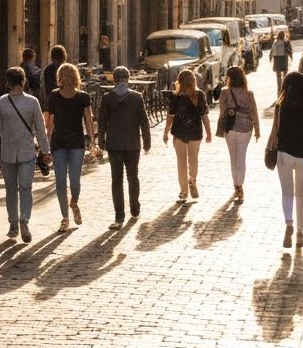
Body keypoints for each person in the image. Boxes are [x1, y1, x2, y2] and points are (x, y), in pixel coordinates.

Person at [0, 66, 51, 243]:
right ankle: (24, 219)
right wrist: (46, 151)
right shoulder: (32, 102)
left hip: (7, 153)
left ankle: (13, 224)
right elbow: (41, 130)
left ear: (8, 83)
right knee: (25, 188)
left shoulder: (0, 102)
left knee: (10, 190)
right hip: (27, 152)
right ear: (23, 82)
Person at [267, 70, 303, 249]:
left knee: (287, 193)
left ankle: (289, 223)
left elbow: (275, 129)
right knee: (301, 194)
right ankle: (299, 233)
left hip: (284, 153)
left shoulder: (280, 106)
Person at [44, 62, 97, 231]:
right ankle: (65, 218)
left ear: (72, 78)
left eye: (68, 77)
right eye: (64, 77)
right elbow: (49, 123)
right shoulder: (54, 96)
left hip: (76, 143)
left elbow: (88, 120)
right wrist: (46, 142)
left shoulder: (83, 97)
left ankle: (73, 202)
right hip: (58, 143)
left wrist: (92, 142)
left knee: (74, 180)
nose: (66, 80)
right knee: (60, 181)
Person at [97, 65, 150, 229]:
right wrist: (147, 141)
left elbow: (102, 121)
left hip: (114, 144)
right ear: (128, 79)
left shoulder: (107, 98)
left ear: (114, 79)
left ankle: (119, 215)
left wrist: (101, 140)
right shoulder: (137, 97)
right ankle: (135, 207)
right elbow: (144, 121)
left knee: (116, 180)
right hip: (133, 143)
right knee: (133, 177)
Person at [161, 68, 212, 201]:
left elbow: (170, 117)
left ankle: (183, 192)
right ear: (194, 81)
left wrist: (166, 133)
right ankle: (192, 180)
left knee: (181, 162)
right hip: (195, 132)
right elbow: (204, 116)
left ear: (179, 82)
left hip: (179, 133)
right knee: (193, 159)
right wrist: (209, 133)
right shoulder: (200, 95)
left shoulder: (175, 96)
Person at [216, 64, 260, 203]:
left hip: (231, 127)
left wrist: (220, 128)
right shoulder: (249, 93)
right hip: (246, 128)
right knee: (241, 158)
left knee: (233, 158)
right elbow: (254, 112)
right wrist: (257, 130)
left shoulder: (224, 92)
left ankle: (236, 186)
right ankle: (240, 186)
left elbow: (222, 112)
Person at [41, 44, 67, 108]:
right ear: (64, 56)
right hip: (66, 99)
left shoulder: (47, 69)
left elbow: (47, 88)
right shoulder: (67, 68)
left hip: (52, 101)